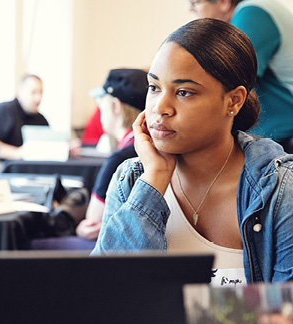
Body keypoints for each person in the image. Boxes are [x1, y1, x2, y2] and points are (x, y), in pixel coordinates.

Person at [92, 18, 293, 285]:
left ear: (233, 101)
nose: (160, 107)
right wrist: (154, 179)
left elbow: (285, 316)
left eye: (184, 92)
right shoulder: (129, 180)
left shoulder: (279, 189)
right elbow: (103, 293)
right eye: (154, 87)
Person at [189, 0, 293, 152]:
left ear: (224, 2)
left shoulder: (253, 13)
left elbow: (224, 74)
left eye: (194, 2)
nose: (190, 9)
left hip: (284, 131)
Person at [75, 69, 147, 241]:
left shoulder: (121, 158)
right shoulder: (153, 148)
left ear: (116, 106)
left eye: (101, 103)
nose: (99, 110)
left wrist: (78, 229)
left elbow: (91, 223)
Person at [0, 74, 49, 160]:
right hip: (2, 169)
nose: (38, 98)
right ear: (20, 92)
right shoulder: (3, 111)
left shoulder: (41, 120)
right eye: (33, 92)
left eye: (40, 92)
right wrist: (17, 153)